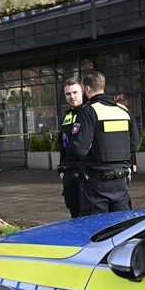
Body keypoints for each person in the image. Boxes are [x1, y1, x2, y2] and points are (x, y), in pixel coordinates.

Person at [67, 71, 140, 216]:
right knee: (122, 226)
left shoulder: (88, 111)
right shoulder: (123, 109)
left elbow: (80, 149)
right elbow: (135, 145)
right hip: (121, 181)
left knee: (97, 229)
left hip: (96, 183)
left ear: (87, 89)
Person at [57, 77, 88, 218]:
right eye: (68, 94)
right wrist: (62, 168)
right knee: (73, 209)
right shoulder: (67, 116)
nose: (72, 96)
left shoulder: (88, 113)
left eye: (75, 92)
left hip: (86, 171)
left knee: (88, 213)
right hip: (70, 172)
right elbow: (63, 143)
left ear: (83, 92)